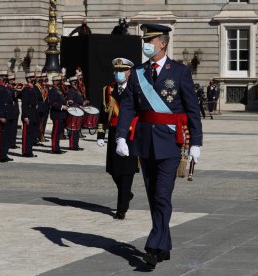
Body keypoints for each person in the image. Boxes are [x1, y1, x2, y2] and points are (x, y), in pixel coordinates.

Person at [116, 24, 202, 268]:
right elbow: (128, 106)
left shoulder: (179, 72)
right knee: (155, 196)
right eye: (145, 40)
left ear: (163, 43)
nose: (146, 44)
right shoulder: (138, 72)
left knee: (163, 195)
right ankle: (164, 245)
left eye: (150, 40)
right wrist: (121, 136)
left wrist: (196, 142)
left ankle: (153, 247)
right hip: (144, 142)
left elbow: (192, 110)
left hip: (170, 143)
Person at [97, 57, 138, 220]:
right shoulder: (108, 89)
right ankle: (126, 193)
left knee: (127, 171)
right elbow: (103, 113)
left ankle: (121, 208)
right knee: (113, 170)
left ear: (129, 72)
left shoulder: (136, 88)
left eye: (122, 71)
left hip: (131, 133)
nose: (118, 74)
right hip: (114, 132)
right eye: (116, 71)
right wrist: (100, 134)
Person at [0, 70, 18, 162]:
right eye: (3, 76)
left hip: (10, 114)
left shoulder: (7, 88)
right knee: (2, 137)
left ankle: (5, 153)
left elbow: (14, 97)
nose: (5, 77)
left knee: (8, 136)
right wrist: (0, 115)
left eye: (6, 76)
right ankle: (0, 155)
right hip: (4, 114)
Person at [66, 76, 88, 150]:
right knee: (73, 130)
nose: (74, 83)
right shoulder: (71, 91)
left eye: (75, 81)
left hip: (78, 112)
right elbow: (71, 103)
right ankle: (72, 146)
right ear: (70, 83)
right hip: (74, 112)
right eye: (72, 82)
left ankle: (76, 145)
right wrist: (79, 106)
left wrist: (84, 103)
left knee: (77, 130)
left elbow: (78, 100)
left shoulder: (77, 91)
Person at [21, 72, 39, 157]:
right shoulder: (25, 89)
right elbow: (24, 104)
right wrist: (25, 116)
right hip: (28, 113)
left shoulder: (34, 88)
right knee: (26, 134)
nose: (34, 79)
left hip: (33, 112)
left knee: (31, 133)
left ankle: (30, 151)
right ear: (28, 79)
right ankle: (25, 151)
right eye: (32, 77)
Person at [48, 75, 69, 154]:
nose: (59, 83)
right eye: (58, 81)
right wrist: (62, 107)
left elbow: (60, 100)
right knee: (56, 132)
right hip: (56, 114)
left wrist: (66, 103)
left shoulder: (59, 90)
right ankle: (54, 149)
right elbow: (52, 103)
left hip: (61, 114)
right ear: (54, 82)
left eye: (60, 81)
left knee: (59, 132)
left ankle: (57, 147)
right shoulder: (53, 90)